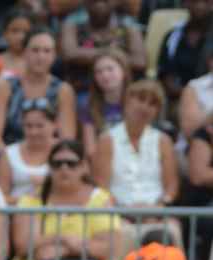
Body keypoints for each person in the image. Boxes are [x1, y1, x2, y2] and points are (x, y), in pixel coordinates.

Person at [92, 80, 177, 212]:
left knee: (169, 231)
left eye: (152, 104)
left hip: (157, 213)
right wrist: (122, 210)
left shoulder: (164, 141)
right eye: (141, 99)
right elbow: (102, 187)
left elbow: (171, 187)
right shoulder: (107, 139)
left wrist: (159, 207)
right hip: (116, 213)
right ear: (127, 101)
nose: (145, 107)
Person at [0, 29, 76, 144]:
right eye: (35, 50)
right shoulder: (3, 87)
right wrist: (10, 159)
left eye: (47, 51)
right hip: (8, 154)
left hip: (50, 157)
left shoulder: (63, 90)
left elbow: (67, 139)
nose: (41, 56)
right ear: (24, 53)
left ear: (54, 56)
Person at [60, 0, 145, 86]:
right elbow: (69, 54)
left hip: (121, 89)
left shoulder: (128, 26)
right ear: (85, 3)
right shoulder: (72, 24)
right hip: (82, 88)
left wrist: (86, 55)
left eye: (105, 1)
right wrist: (116, 54)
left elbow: (139, 61)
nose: (99, 3)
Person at [157, 0, 213, 108]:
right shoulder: (173, 37)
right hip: (178, 98)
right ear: (185, 3)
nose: (200, 6)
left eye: (206, 1)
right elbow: (165, 74)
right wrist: (187, 96)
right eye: (193, 1)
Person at [4, 94, 56, 202]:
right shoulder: (8, 154)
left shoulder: (67, 153)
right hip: (16, 215)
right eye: (28, 126)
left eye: (40, 126)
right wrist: (27, 201)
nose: (34, 132)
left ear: (54, 125)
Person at [78, 48, 127, 159]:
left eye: (110, 69)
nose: (104, 75)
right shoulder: (89, 107)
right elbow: (90, 151)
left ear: (123, 70)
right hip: (102, 163)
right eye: (98, 72)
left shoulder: (137, 102)